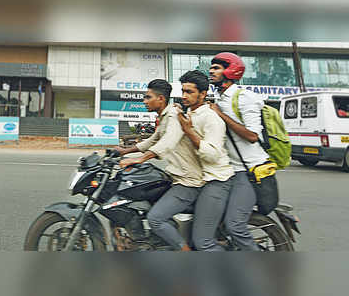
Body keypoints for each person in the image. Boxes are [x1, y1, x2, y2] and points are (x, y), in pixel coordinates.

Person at [116, 79, 204, 251]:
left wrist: (139, 159)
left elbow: (167, 143)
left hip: (188, 181)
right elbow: (153, 140)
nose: (144, 101)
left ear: (161, 99)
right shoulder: (165, 116)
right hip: (176, 177)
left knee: (155, 218)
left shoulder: (173, 116)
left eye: (148, 97)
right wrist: (124, 151)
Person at [208, 52, 270, 251]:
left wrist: (221, 115)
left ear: (231, 71)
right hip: (229, 170)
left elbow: (252, 136)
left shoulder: (244, 97)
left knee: (235, 225)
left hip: (251, 170)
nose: (211, 70)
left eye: (217, 68)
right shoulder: (219, 98)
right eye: (211, 67)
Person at [176, 70, 235, 251]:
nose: (184, 96)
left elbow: (212, 155)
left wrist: (189, 132)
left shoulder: (211, 118)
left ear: (202, 94)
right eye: (183, 91)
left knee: (202, 242)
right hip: (198, 178)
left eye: (189, 92)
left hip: (216, 180)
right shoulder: (189, 113)